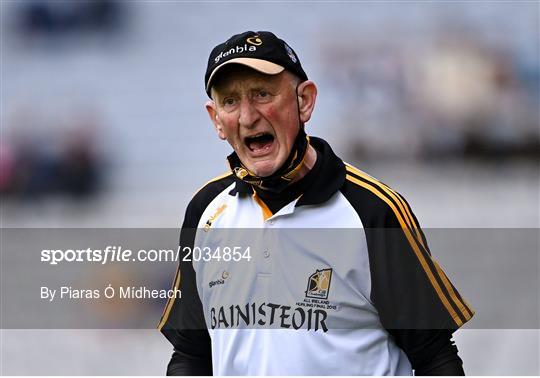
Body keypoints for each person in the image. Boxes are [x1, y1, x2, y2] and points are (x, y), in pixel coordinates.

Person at [158, 30, 474, 376]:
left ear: (304, 101)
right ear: (216, 119)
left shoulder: (372, 210)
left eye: (262, 94)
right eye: (230, 101)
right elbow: (191, 355)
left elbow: (435, 357)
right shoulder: (204, 211)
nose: (247, 117)